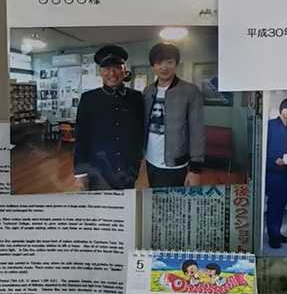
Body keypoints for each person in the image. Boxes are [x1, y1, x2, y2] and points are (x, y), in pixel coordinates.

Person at [73, 45, 145, 191]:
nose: (112, 73)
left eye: (117, 67)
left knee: (126, 204)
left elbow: (140, 131)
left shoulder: (136, 97)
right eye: (106, 68)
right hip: (98, 171)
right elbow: (81, 137)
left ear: (124, 70)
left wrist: (137, 160)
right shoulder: (89, 99)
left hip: (128, 170)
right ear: (100, 72)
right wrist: (81, 174)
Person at [142, 42, 206, 188]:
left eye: (169, 62)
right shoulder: (148, 91)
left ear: (176, 64)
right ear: (153, 66)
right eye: (159, 63)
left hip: (176, 163)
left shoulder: (190, 91)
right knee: (155, 197)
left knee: (173, 200)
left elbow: (197, 132)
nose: (164, 67)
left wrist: (195, 169)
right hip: (150, 160)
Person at [263, 98, 287, 249]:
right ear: (281, 108)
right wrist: (273, 161)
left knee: (282, 204)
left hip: (285, 173)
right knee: (274, 205)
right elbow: (262, 148)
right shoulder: (270, 125)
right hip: (273, 172)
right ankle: (273, 237)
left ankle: (277, 233)